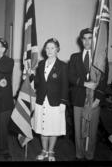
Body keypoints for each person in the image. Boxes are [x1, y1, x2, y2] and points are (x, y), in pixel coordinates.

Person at [68, 28, 107, 161]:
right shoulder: (74, 57)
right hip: (78, 98)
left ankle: (89, 155)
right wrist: (85, 83)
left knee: (92, 130)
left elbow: (104, 81)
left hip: (94, 100)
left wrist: (98, 99)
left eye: (90, 38)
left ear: (94, 40)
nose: (87, 41)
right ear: (81, 40)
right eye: (84, 38)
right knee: (78, 130)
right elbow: (70, 77)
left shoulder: (101, 59)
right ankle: (79, 155)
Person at [32, 38, 69, 161]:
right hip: (41, 100)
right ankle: (44, 150)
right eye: (47, 48)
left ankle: (51, 151)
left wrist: (63, 102)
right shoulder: (41, 64)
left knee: (53, 127)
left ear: (57, 49)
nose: (49, 50)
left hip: (55, 102)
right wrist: (30, 74)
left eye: (52, 48)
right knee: (43, 127)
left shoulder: (62, 65)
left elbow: (65, 85)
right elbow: (38, 82)